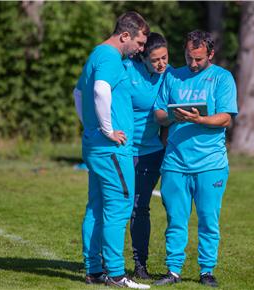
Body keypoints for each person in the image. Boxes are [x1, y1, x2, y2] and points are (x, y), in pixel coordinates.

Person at [152, 30, 238, 288]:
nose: (193, 63)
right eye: (189, 57)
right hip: (175, 164)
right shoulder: (172, 76)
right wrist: (171, 117)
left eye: (198, 59)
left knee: (208, 220)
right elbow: (158, 114)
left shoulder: (222, 78)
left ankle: (206, 271)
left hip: (210, 165)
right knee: (175, 220)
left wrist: (199, 119)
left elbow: (226, 118)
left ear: (210, 54)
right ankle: (173, 270)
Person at [73, 11, 151, 289]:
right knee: (119, 208)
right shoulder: (109, 57)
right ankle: (116, 274)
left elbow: (78, 94)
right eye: (140, 43)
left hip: (96, 147)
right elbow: (100, 91)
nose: (141, 49)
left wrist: (91, 127)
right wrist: (106, 129)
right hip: (112, 149)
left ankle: (94, 270)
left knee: (96, 206)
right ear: (125, 35)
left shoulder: (95, 54)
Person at [123, 32, 171, 279]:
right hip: (124, 151)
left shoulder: (169, 75)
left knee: (140, 207)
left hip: (152, 152)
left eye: (164, 58)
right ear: (143, 58)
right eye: (155, 60)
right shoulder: (126, 68)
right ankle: (101, 262)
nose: (161, 64)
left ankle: (140, 265)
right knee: (119, 207)